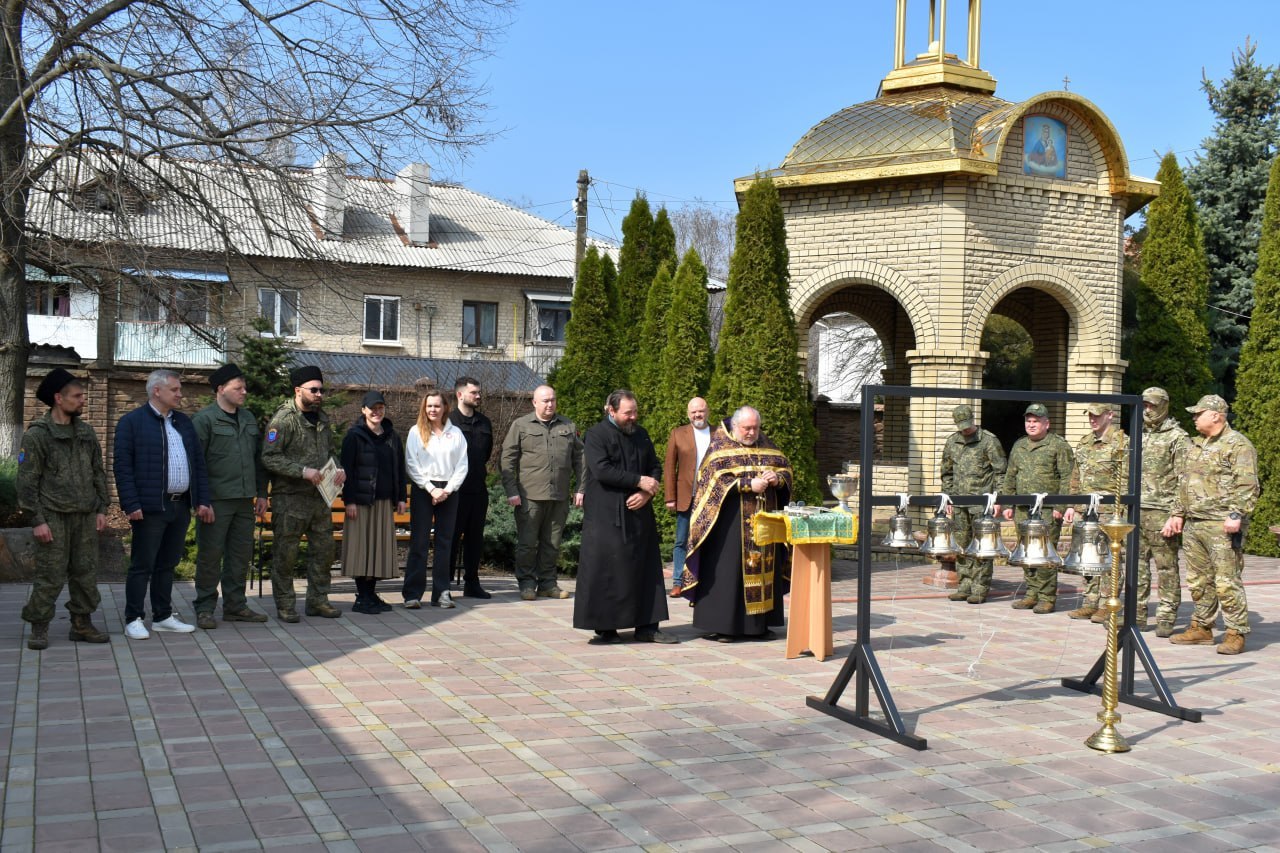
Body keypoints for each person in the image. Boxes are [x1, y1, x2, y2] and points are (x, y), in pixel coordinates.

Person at [114, 369, 212, 639]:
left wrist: (202, 499)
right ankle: (133, 618)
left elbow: (198, 464)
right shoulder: (131, 423)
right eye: (175, 389)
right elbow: (122, 467)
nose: (180, 394)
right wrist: (131, 503)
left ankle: (162, 616)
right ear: (157, 391)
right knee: (142, 564)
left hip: (179, 506)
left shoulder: (183, 422)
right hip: (149, 507)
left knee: (167, 564)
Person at [574, 390, 676, 644]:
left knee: (646, 568)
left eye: (635, 412)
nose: (633, 417)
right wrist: (638, 481)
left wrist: (646, 492)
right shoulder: (596, 435)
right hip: (606, 514)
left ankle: (648, 626)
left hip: (639, 512)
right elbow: (602, 470)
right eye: (627, 413)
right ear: (612, 410)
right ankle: (606, 628)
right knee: (608, 570)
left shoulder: (641, 434)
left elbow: (654, 467)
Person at [18, 369, 111, 650]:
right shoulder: (38, 435)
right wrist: (37, 520)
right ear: (59, 398)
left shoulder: (86, 433)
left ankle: (81, 624)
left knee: (86, 572)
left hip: (85, 515)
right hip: (53, 515)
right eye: (77, 396)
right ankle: (39, 625)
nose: (83, 400)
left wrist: (102, 508)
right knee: (50, 574)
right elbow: (27, 481)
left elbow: (98, 473)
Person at [683, 406, 792, 642]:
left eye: (755, 428)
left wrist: (778, 479)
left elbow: (785, 468)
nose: (752, 432)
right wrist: (745, 485)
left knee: (763, 569)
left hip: (764, 522)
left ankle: (758, 626)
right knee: (729, 573)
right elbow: (712, 482)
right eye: (746, 428)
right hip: (728, 524)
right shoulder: (719, 447)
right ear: (735, 426)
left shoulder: (767, 445)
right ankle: (726, 627)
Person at [1165, 395, 1259, 655]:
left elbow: (1248, 484)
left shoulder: (1237, 444)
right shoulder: (1195, 445)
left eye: (1199, 413)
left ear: (1216, 415)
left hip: (1221, 524)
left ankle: (1235, 632)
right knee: (1198, 580)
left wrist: (1236, 514)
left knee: (1226, 581)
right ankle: (1202, 627)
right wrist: (1177, 513)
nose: (1194, 418)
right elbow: (1183, 482)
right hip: (1194, 523)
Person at [260, 365, 346, 622]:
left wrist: (338, 469)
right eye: (314, 390)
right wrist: (302, 471)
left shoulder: (323, 419)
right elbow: (269, 457)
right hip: (291, 499)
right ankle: (286, 605)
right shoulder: (283, 420)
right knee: (286, 554)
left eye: (321, 390)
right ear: (298, 390)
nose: (319, 394)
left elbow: (330, 452)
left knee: (324, 551)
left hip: (319, 498)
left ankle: (318, 601)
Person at [191, 363, 270, 629]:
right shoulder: (204, 420)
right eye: (238, 388)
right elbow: (196, 464)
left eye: (244, 388)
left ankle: (235, 606)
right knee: (210, 556)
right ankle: (205, 608)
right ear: (221, 389)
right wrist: (202, 500)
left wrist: (261, 493)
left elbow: (258, 460)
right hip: (216, 501)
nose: (244, 392)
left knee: (240, 555)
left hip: (244, 501)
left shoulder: (248, 419)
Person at [500, 385, 584, 601]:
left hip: (558, 496)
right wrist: (511, 490)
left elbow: (580, 459)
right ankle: (527, 583)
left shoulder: (568, 425)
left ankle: (548, 583)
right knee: (527, 544)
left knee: (552, 543)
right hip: (529, 497)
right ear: (534, 402)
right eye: (545, 400)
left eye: (553, 400)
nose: (550, 404)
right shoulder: (521, 425)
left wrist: (580, 488)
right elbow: (508, 459)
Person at [1000, 403, 1073, 614]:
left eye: (1036, 421)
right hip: (1023, 508)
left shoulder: (1058, 445)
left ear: (1046, 423)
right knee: (1027, 552)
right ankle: (1031, 593)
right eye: (1028, 421)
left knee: (1045, 552)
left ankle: (1047, 597)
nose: (1031, 425)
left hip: (1047, 510)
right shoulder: (1019, 445)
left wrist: (1061, 505)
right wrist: (1008, 503)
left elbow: (1067, 477)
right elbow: (1010, 476)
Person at [340, 390, 407, 615]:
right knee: (362, 549)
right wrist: (349, 501)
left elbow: (400, 468)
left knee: (377, 550)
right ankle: (362, 597)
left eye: (380, 408)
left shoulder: (392, 436)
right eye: (372, 408)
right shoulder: (354, 436)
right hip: (360, 502)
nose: (377, 412)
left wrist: (401, 498)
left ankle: (370, 594)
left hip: (384, 502)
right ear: (363, 410)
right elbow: (346, 471)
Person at [1063, 403, 1128, 622]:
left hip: (1109, 510)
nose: (1093, 419)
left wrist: (1121, 509)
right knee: (1088, 555)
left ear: (1110, 415)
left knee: (1109, 557)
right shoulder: (1084, 442)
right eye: (1090, 415)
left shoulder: (1121, 442)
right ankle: (1090, 602)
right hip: (1085, 510)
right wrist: (1072, 504)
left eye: (1097, 415)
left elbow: (1126, 478)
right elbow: (1076, 475)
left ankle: (1107, 603)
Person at [403, 390, 468, 608]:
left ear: (445, 408)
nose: (433, 410)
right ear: (424, 408)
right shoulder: (415, 432)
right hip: (424, 489)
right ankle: (412, 594)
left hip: (449, 490)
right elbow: (411, 464)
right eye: (429, 406)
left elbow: (462, 465)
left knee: (444, 543)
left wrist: (447, 490)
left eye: (437, 406)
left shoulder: (456, 433)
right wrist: (431, 489)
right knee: (419, 542)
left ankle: (442, 592)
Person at [940, 404, 1007, 605]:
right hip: (959, 503)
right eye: (962, 426)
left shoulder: (989, 440)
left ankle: (979, 588)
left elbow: (1000, 472)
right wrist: (947, 497)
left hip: (982, 504)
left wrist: (998, 499)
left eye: (968, 425)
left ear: (973, 420)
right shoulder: (952, 442)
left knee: (982, 546)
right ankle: (964, 585)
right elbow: (947, 473)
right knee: (962, 545)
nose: (966, 429)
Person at [1137, 388, 1188, 636]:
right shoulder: (1138, 435)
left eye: (1153, 405)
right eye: (1145, 405)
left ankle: (1166, 616)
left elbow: (1184, 479)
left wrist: (1177, 514)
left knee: (1166, 567)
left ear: (1164, 406)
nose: (1148, 410)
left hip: (1162, 512)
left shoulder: (1177, 437)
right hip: (1136, 510)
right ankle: (1136, 613)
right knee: (1136, 566)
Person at [449, 376, 493, 599]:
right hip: (454, 491)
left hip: (478, 489)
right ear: (460, 395)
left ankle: (472, 583)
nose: (478, 396)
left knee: (475, 539)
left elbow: (486, 454)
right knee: (451, 537)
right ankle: (443, 584)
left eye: (478, 392)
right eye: (473, 392)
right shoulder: (448, 421)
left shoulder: (484, 422)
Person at [664, 397, 712, 597]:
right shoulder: (678, 433)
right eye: (693, 412)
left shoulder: (719, 433)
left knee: (709, 540)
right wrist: (670, 497)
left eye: (700, 411)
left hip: (711, 497)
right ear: (688, 414)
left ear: (707, 411)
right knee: (682, 541)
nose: (697, 415)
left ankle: (706, 581)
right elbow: (669, 467)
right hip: (686, 496)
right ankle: (678, 582)